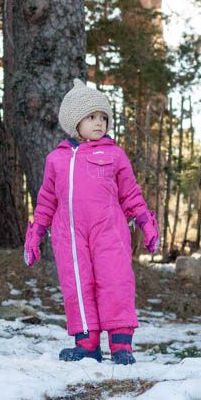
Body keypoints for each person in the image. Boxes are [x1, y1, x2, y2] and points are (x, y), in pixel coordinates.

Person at [23, 79, 159, 365]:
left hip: (109, 232)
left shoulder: (114, 155)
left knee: (115, 282)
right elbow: (46, 201)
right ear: (75, 123)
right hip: (69, 236)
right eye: (91, 117)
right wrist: (35, 235)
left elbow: (131, 194)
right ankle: (86, 344)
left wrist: (146, 223)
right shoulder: (56, 160)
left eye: (103, 118)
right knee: (77, 286)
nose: (99, 123)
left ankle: (121, 346)